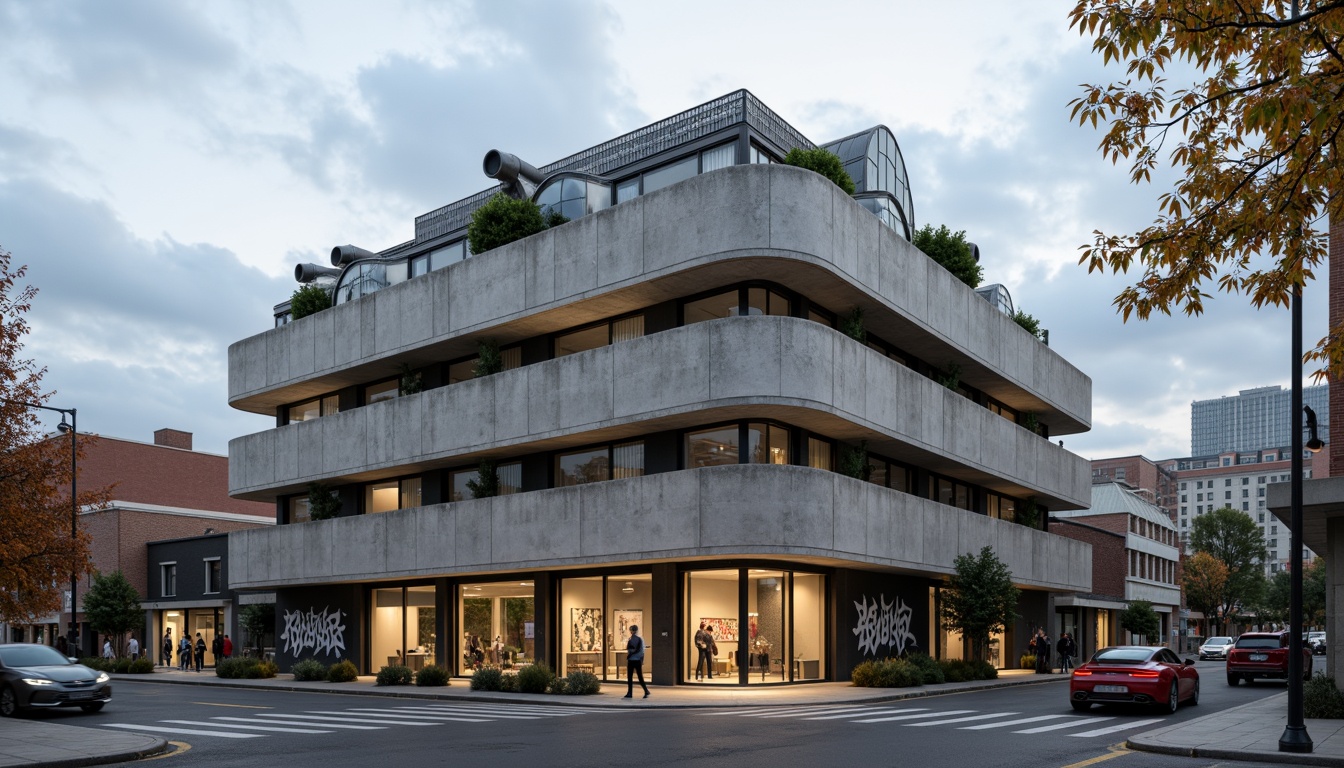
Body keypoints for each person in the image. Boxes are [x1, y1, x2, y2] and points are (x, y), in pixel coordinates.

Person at [623, 624, 649, 699]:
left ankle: (630, 692)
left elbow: (634, 649)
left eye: (632, 630)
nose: (631, 631)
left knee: (631, 677)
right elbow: (642, 651)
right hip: (636, 660)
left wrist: (630, 654)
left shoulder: (634, 639)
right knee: (639, 676)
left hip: (632, 660)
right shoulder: (639, 639)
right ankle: (644, 690)